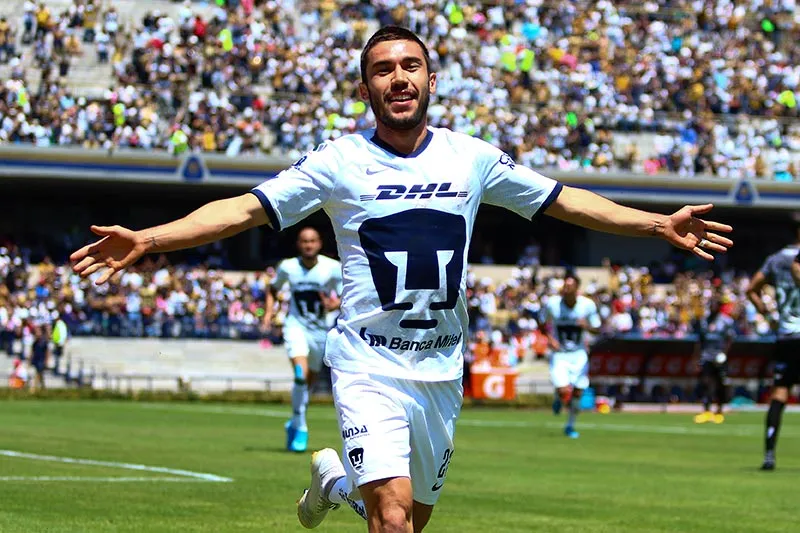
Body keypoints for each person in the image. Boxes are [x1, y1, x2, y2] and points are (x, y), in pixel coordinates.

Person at [69, 25, 733, 533]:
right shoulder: (338, 161)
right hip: (366, 364)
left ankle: (334, 482)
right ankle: (348, 482)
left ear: (431, 79)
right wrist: (149, 239)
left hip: (441, 372)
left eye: (409, 65)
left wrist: (654, 225)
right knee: (389, 521)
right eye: (382, 70)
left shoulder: (473, 158)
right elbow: (244, 208)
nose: (398, 77)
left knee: (404, 522)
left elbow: (561, 199)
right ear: (366, 90)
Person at [263, 227, 342, 453]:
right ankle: (300, 427)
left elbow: (345, 294)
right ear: (298, 244)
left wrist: (334, 304)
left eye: (313, 241)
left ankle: (294, 420)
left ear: (319, 243)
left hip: (320, 331)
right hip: (295, 325)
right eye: (304, 241)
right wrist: (268, 314)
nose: (308, 245)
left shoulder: (332, 268)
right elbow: (272, 289)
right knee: (300, 374)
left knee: (308, 382)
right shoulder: (288, 267)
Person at [747, 230, 800, 471]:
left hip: (786, 335)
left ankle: (769, 455)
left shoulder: (775, 260)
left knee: (779, 394)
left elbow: (751, 289)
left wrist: (767, 315)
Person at [541, 274, 601, 438]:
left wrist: (586, 325)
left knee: (577, 393)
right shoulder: (553, 304)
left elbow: (598, 328)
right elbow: (541, 323)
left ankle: (570, 425)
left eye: (569, 286)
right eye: (564, 286)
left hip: (579, 354)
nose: (565, 289)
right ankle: (558, 398)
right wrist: (549, 338)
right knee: (563, 391)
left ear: (577, 289)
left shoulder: (587, 306)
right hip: (560, 353)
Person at [691, 295, 735, 424]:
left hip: (719, 357)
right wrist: (696, 358)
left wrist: (724, 354)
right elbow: (699, 341)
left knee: (720, 384)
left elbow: (729, 339)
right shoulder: (704, 321)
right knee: (705, 383)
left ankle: (719, 411)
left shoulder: (726, 321)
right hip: (706, 356)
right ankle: (706, 410)